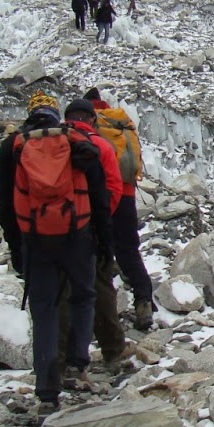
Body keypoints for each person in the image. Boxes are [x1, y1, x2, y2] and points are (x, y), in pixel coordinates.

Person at [0, 92, 114, 416]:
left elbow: (4, 202)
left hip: (35, 238)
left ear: (30, 113)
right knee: (84, 296)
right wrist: (104, 241)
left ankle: (47, 391)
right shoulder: (74, 141)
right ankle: (77, 361)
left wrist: (16, 246)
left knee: (44, 310)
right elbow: (99, 193)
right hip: (77, 234)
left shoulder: (15, 146)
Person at [64, 98, 127, 364]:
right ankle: (112, 350)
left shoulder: (49, 142)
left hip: (49, 228)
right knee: (99, 287)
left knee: (61, 292)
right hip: (89, 226)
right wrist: (102, 224)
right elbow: (114, 188)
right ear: (91, 119)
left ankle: (62, 358)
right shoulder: (100, 144)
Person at [86, 87, 156, 330]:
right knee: (129, 250)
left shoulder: (89, 125)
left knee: (97, 251)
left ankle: (102, 313)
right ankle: (144, 299)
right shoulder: (120, 121)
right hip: (126, 193)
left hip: (101, 197)